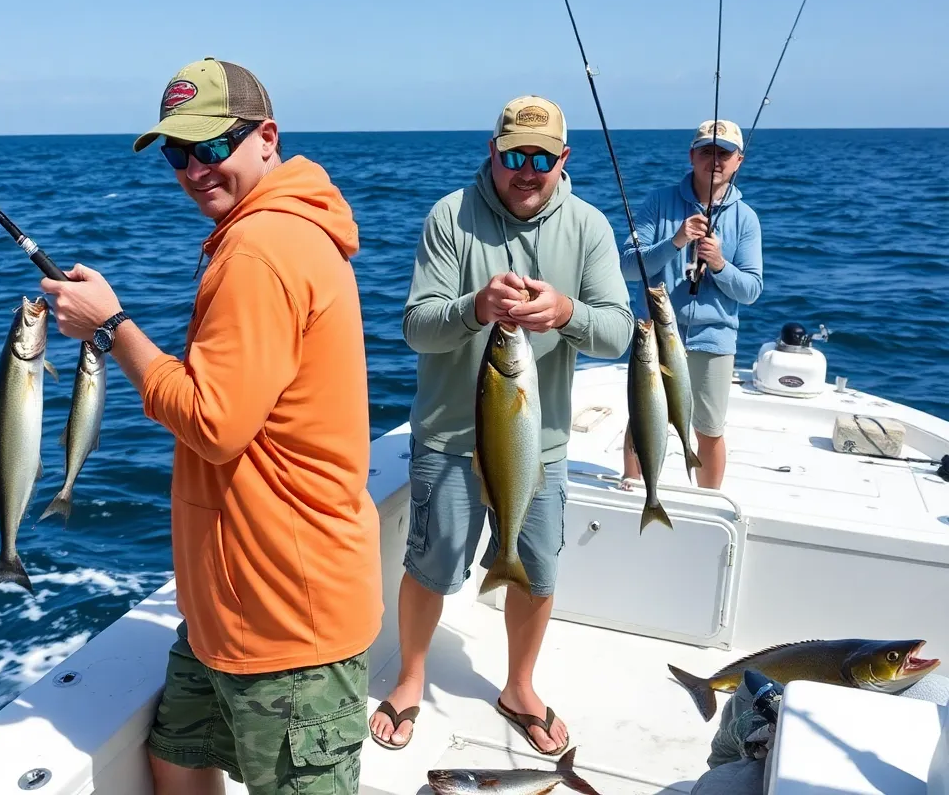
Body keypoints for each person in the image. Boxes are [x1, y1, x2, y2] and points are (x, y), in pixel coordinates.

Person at [40, 57, 382, 795]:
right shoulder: (261, 235)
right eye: (177, 152)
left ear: (267, 136)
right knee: (176, 757)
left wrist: (114, 328)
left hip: (285, 622)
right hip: (227, 612)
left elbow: (213, 422)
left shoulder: (261, 250)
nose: (195, 168)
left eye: (212, 146)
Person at [369, 95, 633, 755]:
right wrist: (474, 307)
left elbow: (620, 331)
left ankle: (519, 687)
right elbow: (415, 328)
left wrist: (567, 310)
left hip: (535, 446)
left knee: (536, 569)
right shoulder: (449, 217)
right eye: (513, 155)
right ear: (492, 151)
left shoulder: (589, 227)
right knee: (430, 565)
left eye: (541, 158)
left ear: (562, 160)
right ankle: (409, 679)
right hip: (448, 439)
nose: (526, 169)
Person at [619, 119, 763, 490]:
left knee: (709, 430)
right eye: (706, 151)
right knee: (642, 419)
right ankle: (635, 487)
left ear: (738, 161)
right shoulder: (659, 202)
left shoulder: (745, 219)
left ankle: (708, 499)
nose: (714, 160)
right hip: (654, 336)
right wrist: (676, 240)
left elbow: (751, 290)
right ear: (692, 156)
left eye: (723, 153)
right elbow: (628, 267)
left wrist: (719, 265)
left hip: (713, 340)